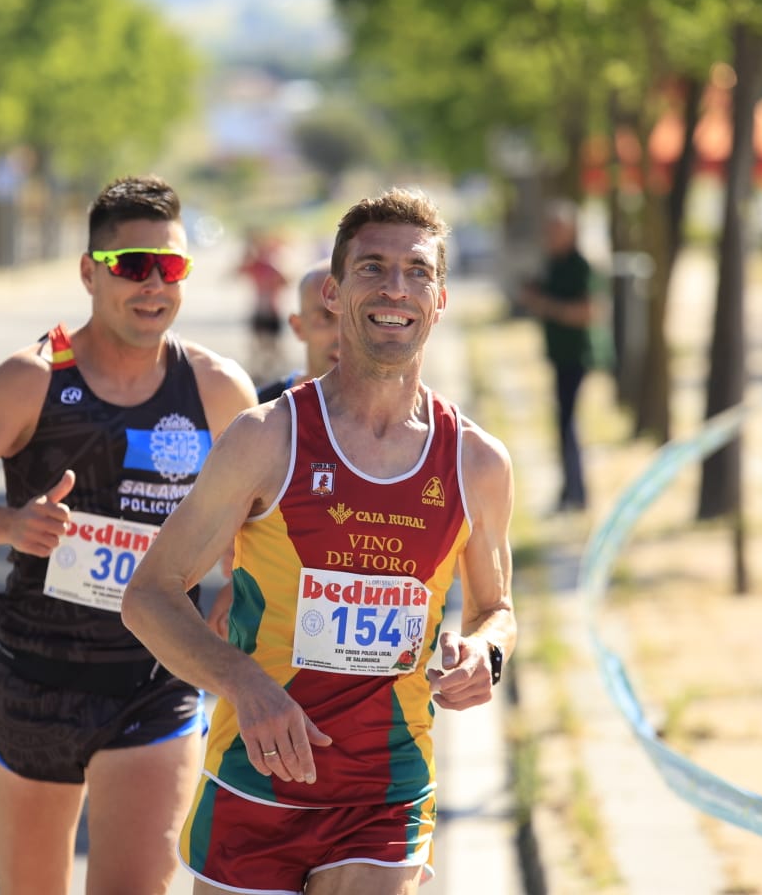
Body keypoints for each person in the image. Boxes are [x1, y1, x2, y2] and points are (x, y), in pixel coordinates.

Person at [122, 187, 517, 895]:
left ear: (441, 299)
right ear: (335, 293)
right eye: (372, 268)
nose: (396, 288)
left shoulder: (477, 461)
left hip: (387, 786)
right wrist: (244, 683)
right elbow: (149, 596)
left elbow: (496, 608)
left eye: (417, 271)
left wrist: (485, 652)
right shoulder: (267, 438)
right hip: (257, 778)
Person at [0, 174, 258, 895]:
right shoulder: (30, 380)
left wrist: (240, 580)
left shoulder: (216, 390)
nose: (153, 285)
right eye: (131, 266)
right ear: (89, 272)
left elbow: (260, 520)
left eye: (171, 266)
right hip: (37, 680)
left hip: (156, 680)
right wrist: (9, 523)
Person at [518, 199, 595, 514]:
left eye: (557, 230)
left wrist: (546, 304)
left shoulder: (580, 266)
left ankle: (577, 494)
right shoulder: (552, 263)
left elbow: (587, 312)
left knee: (569, 424)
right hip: (558, 355)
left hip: (577, 355)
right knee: (562, 424)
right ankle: (569, 491)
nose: (551, 236)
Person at [254, 259, 340, 403]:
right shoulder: (258, 411)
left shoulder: (389, 417)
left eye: (353, 319)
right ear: (298, 327)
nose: (341, 334)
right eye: (325, 317)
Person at [236, 231, 289, 381]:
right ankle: (263, 373)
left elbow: (286, 280)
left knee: (271, 346)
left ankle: (273, 372)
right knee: (260, 346)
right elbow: (237, 271)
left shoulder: (268, 265)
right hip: (262, 310)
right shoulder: (256, 265)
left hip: (270, 310)